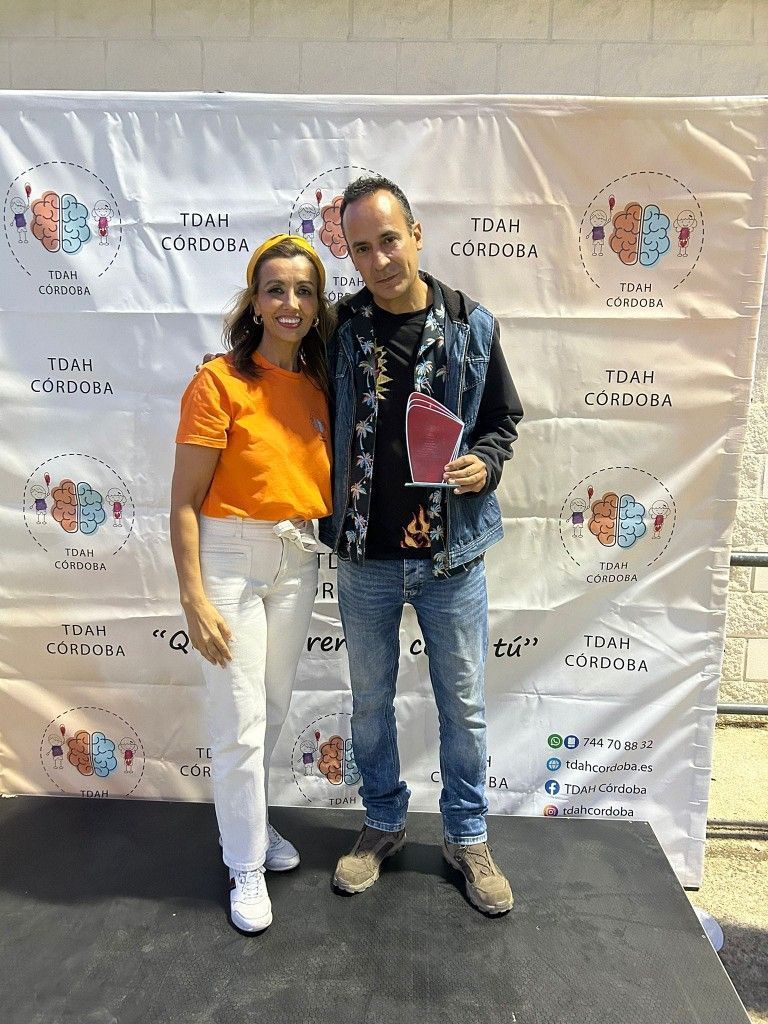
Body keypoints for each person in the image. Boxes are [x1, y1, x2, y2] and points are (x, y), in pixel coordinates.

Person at [319, 176, 523, 915]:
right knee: (370, 703)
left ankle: (467, 836)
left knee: (463, 706)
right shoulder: (339, 331)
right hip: (365, 557)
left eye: (389, 240)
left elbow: (501, 420)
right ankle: (382, 822)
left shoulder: (473, 325)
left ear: (416, 234)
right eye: (361, 248)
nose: (379, 260)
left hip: (451, 557)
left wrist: (485, 463)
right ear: (349, 254)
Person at [170, 234, 333, 933]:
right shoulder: (219, 382)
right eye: (276, 289)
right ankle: (244, 863)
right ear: (256, 302)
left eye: (304, 290)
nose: (290, 302)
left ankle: (253, 825)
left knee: (269, 706)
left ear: (317, 304)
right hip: (230, 557)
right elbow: (183, 501)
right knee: (238, 721)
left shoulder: (320, 386)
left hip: (298, 556)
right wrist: (193, 596)